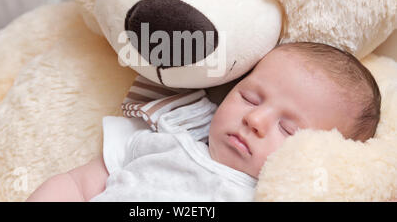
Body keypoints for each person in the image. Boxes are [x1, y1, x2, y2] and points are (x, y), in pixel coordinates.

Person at [26, 42, 381, 202]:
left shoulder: (274, 195)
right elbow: (77, 184)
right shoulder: (169, 135)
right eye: (249, 97)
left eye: (288, 129)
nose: (254, 119)